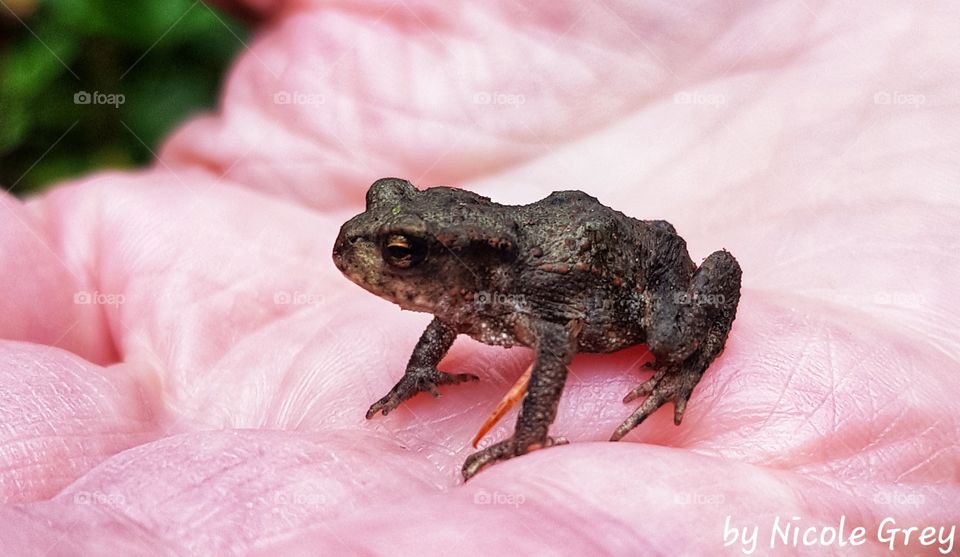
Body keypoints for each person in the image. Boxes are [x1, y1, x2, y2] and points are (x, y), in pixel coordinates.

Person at [0, 1, 957, 554]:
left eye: (401, 250)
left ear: (448, 252)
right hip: (558, 237)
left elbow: (548, 336)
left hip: (627, 271)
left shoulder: (506, 283)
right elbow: (458, 311)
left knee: (667, 331)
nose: (378, 253)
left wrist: (531, 432)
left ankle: (683, 361)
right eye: (390, 233)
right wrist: (421, 370)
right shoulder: (467, 287)